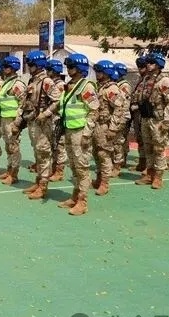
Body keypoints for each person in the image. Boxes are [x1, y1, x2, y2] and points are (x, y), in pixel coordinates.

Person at [56, 53, 100, 215]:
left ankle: (82, 201)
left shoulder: (86, 87)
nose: (68, 69)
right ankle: (75, 196)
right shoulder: (70, 85)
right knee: (74, 166)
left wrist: (87, 134)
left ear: (80, 68)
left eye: (71, 67)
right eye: (68, 66)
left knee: (82, 167)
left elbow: (94, 111)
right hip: (69, 130)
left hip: (80, 132)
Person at [21, 52, 65, 200]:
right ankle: (38, 182)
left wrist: (46, 113)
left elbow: (58, 101)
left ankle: (43, 186)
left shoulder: (46, 81)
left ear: (38, 65)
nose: (29, 67)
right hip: (33, 122)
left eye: (31, 64)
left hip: (43, 123)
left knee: (44, 154)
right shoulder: (33, 80)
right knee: (37, 153)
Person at [134, 52, 169, 190]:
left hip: (158, 119)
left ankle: (158, 176)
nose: (148, 65)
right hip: (146, 117)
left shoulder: (164, 81)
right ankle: (149, 173)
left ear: (158, 65)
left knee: (158, 148)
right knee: (148, 147)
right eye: (148, 63)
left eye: (151, 63)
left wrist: (166, 120)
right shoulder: (145, 79)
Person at [91, 61, 127, 196]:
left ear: (106, 73)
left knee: (104, 154)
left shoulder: (112, 89)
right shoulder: (99, 87)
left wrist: (112, 128)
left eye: (99, 72)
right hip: (96, 125)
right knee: (96, 153)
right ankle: (99, 178)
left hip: (105, 126)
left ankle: (105, 183)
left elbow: (119, 109)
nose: (97, 74)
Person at [0, 55, 27, 185]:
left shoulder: (17, 84)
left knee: (14, 146)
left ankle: (14, 174)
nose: (4, 69)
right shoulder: (6, 83)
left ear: (13, 68)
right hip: (4, 118)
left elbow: (23, 104)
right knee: (8, 146)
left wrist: (17, 122)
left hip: (12, 120)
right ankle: (9, 170)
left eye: (6, 66)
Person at [44, 59, 68, 182]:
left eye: (48, 70)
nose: (46, 72)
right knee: (53, 144)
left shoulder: (60, 85)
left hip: (58, 118)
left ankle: (59, 171)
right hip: (52, 118)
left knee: (59, 145)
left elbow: (60, 103)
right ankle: (53, 168)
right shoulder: (53, 83)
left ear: (53, 71)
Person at [130, 56, 150, 172]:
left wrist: (139, 106)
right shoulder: (141, 80)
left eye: (142, 67)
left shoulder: (150, 81)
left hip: (145, 113)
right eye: (139, 67)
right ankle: (142, 163)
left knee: (147, 139)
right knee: (140, 138)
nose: (140, 69)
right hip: (137, 113)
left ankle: (148, 165)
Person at [112, 62, 132, 177]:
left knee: (118, 142)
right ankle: (117, 161)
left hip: (121, 117)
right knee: (116, 141)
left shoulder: (124, 85)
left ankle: (118, 165)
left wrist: (121, 119)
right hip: (116, 116)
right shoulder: (116, 84)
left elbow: (125, 103)